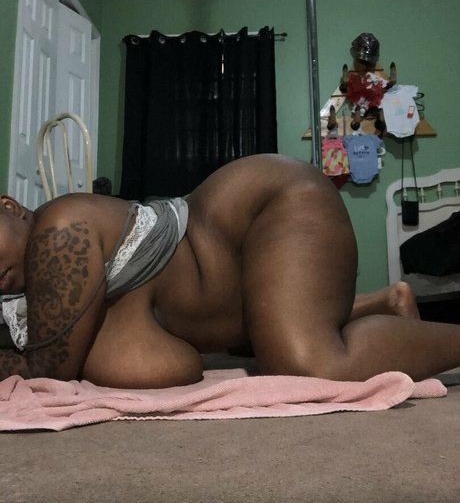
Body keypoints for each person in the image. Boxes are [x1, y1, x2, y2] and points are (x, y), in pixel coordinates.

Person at [1, 153, 460, 389]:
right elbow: (172, 364)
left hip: (270, 204)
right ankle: (385, 302)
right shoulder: (41, 300)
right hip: (239, 284)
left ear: (9, 206)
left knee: (305, 364)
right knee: (269, 333)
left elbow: (49, 370)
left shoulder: (58, 228)